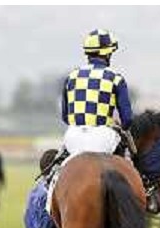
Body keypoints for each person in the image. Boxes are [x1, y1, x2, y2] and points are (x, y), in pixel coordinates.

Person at [55, 29, 133, 169]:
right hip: (104, 138)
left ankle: (47, 186)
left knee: (54, 171)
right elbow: (127, 120)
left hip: (73, 138)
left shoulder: (71, 76)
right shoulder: (116, 78)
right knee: (127, 163)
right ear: (107, 53)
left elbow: (65, 117)